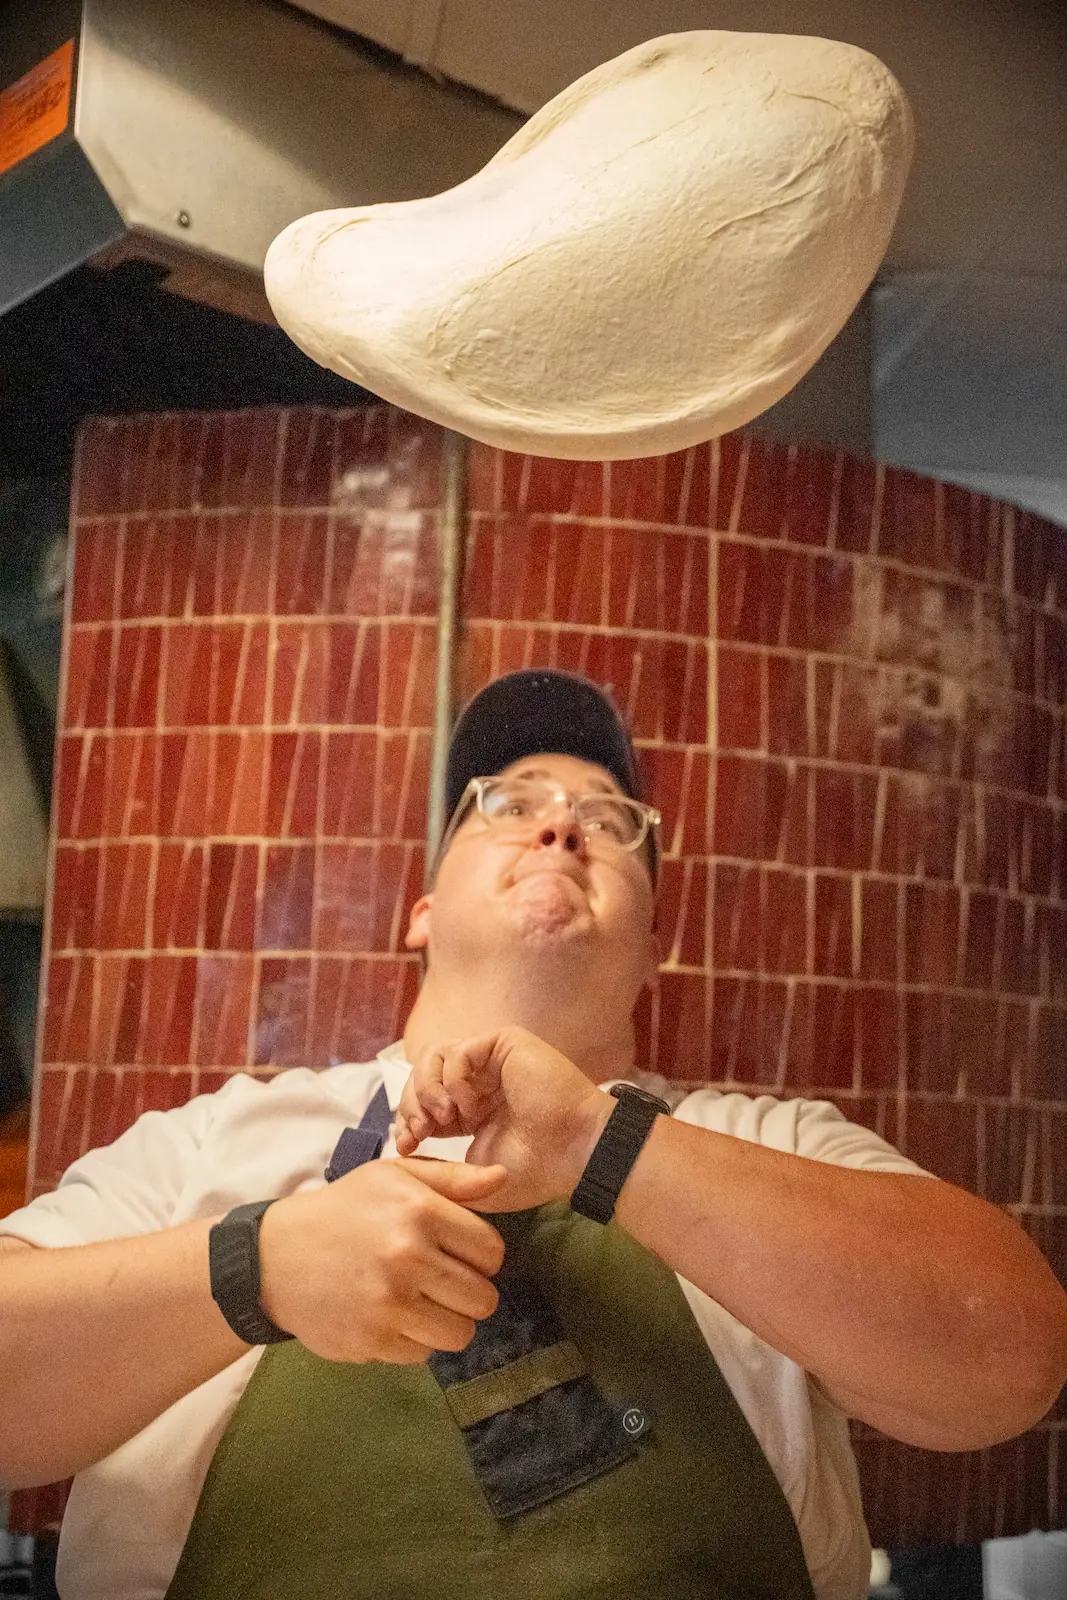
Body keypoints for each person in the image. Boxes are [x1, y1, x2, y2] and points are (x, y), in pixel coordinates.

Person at [0, 669, 1064, 1600]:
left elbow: (1008, 1361)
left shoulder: (765, 1143)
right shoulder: (215, 1142)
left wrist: (605, 1145)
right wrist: (255, 1265)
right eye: (506, 806)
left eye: (609, 821)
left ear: (656, 945)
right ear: (420, 911)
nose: (559, 827)